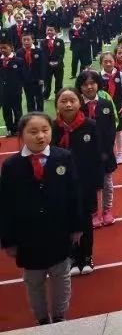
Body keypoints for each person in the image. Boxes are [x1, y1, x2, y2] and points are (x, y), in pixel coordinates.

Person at [0, 113, 82, 326]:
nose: (40, 136)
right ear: (22, 135)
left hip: (59, 231)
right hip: (28, 237)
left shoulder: (63, 157)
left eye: (45, 130)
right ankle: (42, 318)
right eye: (33, 132)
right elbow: (6, 206)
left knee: (61, 276)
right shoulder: (11, 166)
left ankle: (59, 315)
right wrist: (8, 240)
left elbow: (74, 195)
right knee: (33, 280)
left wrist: (77, 226)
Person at [52, 88, 102, 276]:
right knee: (66, 220)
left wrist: (97, 183)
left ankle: (87, 255)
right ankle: (72, 256)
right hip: (61, 184)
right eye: (63, 101)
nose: (68, 104)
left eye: (72, 100)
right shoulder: (52, 127)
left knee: (86, 219)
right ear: (57, 104)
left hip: (85, 183)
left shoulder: (90, 125)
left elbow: (98, 156)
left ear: (79, 102)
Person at [77, 70, 119, 227]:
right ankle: (94, 212)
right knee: (91, 184)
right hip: (87, 154)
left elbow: (110, 129)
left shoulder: (105, 104)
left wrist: (106, 151)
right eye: (85, 85)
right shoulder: (78, 106)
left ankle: (107, 210)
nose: (89, 87)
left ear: (98, 85)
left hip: (106, 153)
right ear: (80, 87)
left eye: (92, 83)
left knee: (107, 182)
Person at [0, 38, 24, 136]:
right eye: (1, 48)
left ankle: (18, 128)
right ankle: (10, 128)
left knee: (17, 110)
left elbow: (23, 76)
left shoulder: (18, 61)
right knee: (6, 111)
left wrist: (20, 87)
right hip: (3, 91)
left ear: (11, 48)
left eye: (4, 48)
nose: (2, 50)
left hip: (15, 91)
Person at [41, 25, 65, 101]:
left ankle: (58, 95)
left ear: (55, 31)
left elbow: (62, 53)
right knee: (47, 81)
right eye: (48, 30)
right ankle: (46, 95)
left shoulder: (60, 41)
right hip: (47, 66)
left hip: (58, 65)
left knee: (59, 81)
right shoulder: (43, 42)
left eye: (51, 30)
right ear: (45, 31)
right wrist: (48, 62)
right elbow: (43, 54)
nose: (50, 32)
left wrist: (58, 62)